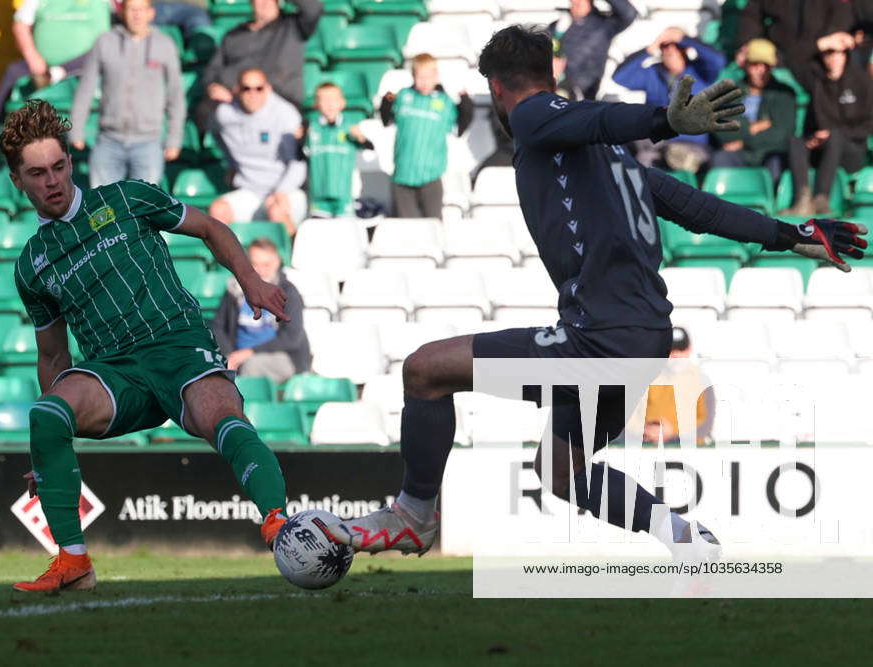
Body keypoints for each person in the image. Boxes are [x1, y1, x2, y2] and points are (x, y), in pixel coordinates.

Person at [327, 25, 867, 562]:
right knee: (562, 471)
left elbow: (594, 117)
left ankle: (413, 516)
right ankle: (684, 538)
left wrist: (664, 121)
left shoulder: (532, 116)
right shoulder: (618, 164)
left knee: (424, 370)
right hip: (643, 338)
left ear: (496, 89)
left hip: (599, 341)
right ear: (551, 70)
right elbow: (700, 208)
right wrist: (791, 234)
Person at [2, 100, 290, 592]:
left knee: (221, 416)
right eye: (37, 173)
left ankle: (282, 525)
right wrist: (53, 450)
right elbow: (53, 356)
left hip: (177, 346)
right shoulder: (32, 265)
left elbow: (210, 227)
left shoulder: (127, 197)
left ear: (71, 162)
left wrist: (252, 282)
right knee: (46, 414)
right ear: (18, 180)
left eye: (57, 167)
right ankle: (74, 563)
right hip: (115, 374)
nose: (51, 180)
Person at [70, 0, 186, 187]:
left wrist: (174, 138)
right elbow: (85, 88)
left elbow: (175, 95)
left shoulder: (165, 45)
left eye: (141, 10)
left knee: (143, 207)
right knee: (105, 207)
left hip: (148, 142)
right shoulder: (105, 42)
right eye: (132, 9)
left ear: (151, 13)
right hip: (108, 140)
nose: (137, 15)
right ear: (122, 11)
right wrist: (76, 129)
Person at [196, 0, 324, 132]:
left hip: (280, 100)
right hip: (236, 99)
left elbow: (314, 8)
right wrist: (212, 86)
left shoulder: (292, 25)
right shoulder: (234, 35)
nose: (265, 3)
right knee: (204, 111)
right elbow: (212, 70)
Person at [613, 27, 726, 172]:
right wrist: (648, 50)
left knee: (691, 160)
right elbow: (620, 77)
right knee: (641, 158)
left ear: (684, 50)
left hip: (692, 143)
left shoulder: (701, 72)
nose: (669, 50)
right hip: (657, 142)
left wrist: (685, 39)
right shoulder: (654, 73)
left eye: (675, 46)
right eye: (665, 47)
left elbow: (718, 60)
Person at [209, 69, 307, 236]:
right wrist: (231, 164)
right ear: (237, 89)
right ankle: (230, 262)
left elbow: (298, 163)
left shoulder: (285, 114)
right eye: (246, 88)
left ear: (268, 89)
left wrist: (281, 191)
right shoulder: (224, 114)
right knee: (218, 211)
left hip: (285, 189)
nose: (252, 93)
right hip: (249, 190)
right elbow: (216, 133)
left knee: (277, 212)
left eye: (258, 88)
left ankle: (288, 257)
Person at [0, 0, 112, 126]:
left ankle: (59, 73)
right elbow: (20, 26)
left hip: (89, 63)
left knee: (102, 54)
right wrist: (32, 57)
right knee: (14, 72)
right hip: (43, 68)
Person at [781, 43, 873, 216]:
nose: (831, 59)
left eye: (835, 53)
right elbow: (795, 59)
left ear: (846, 55)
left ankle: (822, 198)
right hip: (823, 146)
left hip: (852, 148)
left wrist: (835, 133)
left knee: (836, 136)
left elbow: (868, 125)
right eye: (826, 54)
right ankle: (802, 198)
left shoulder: (862, 82)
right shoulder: (818, 85)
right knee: (796, 141)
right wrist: (814, 138)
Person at [379, 54, 474, 219]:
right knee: (407, 228)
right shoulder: (403, 96)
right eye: (420, 77)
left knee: (433, 227)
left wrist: (465, 100)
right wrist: (386, 100)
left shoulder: (444, 102)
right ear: (413, 76)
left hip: (431, 177)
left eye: (429, 77)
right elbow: (386, 119)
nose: (424, 81)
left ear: (436, 77)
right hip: (402, 175)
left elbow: (461, 125)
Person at [211, 238, 310, 383]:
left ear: (277, 262)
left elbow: (292, 338)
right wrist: (229, 354)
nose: (260, 270)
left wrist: (249, 353)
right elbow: (218, 327)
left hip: (282, 357)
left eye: (266, 265)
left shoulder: (288, 293)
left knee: (252, 366)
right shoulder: (234, 289)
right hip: (237, 355)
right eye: (254, 264)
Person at [710, 39, 796, 188]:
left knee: (776, 162)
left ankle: (771, 207)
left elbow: (782, 134)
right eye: (756, 65)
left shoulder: (783, 93)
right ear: (746, 65)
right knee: (720, 159)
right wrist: (753, 127)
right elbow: (721, 129)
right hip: (739, 154)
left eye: (766, 66)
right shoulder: (731, 92)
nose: (761, 71)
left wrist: (744, 141)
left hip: (768, 152)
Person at [736, 0, 856, 87]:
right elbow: (752, 13)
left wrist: (830, 46)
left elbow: (843, 14)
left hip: (818, 58)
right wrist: (747, 43)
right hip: (780, 56)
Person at [304, 82, 374, 218]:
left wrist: (361, 138)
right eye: (324, 100)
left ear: (342, 103)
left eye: (334, 99)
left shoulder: (350, 128)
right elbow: (299, 155)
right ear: (316, 104)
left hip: (343, 197)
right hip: (319, 197)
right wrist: (300, 138)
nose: (330, 104)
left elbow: (370, 148)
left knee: (345, 235)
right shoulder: (311, 129)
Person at [549, 0, 637, 100]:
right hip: (556, 87)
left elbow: (629, 14)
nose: (576, 3)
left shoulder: (604, 25)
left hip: (586, 91)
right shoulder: (558, 26)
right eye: (573, 2)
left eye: (580, 2)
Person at [642, 328, 715, 446]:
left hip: (688, 449)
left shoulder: (702, 381)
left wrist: (673, 434)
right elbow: (631, 417)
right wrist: (646, 431)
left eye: (681, 349)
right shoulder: (649, 378)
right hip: (647, 448)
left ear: (689, 349)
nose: (676, 355)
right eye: (672, 350)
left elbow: (706, 425)